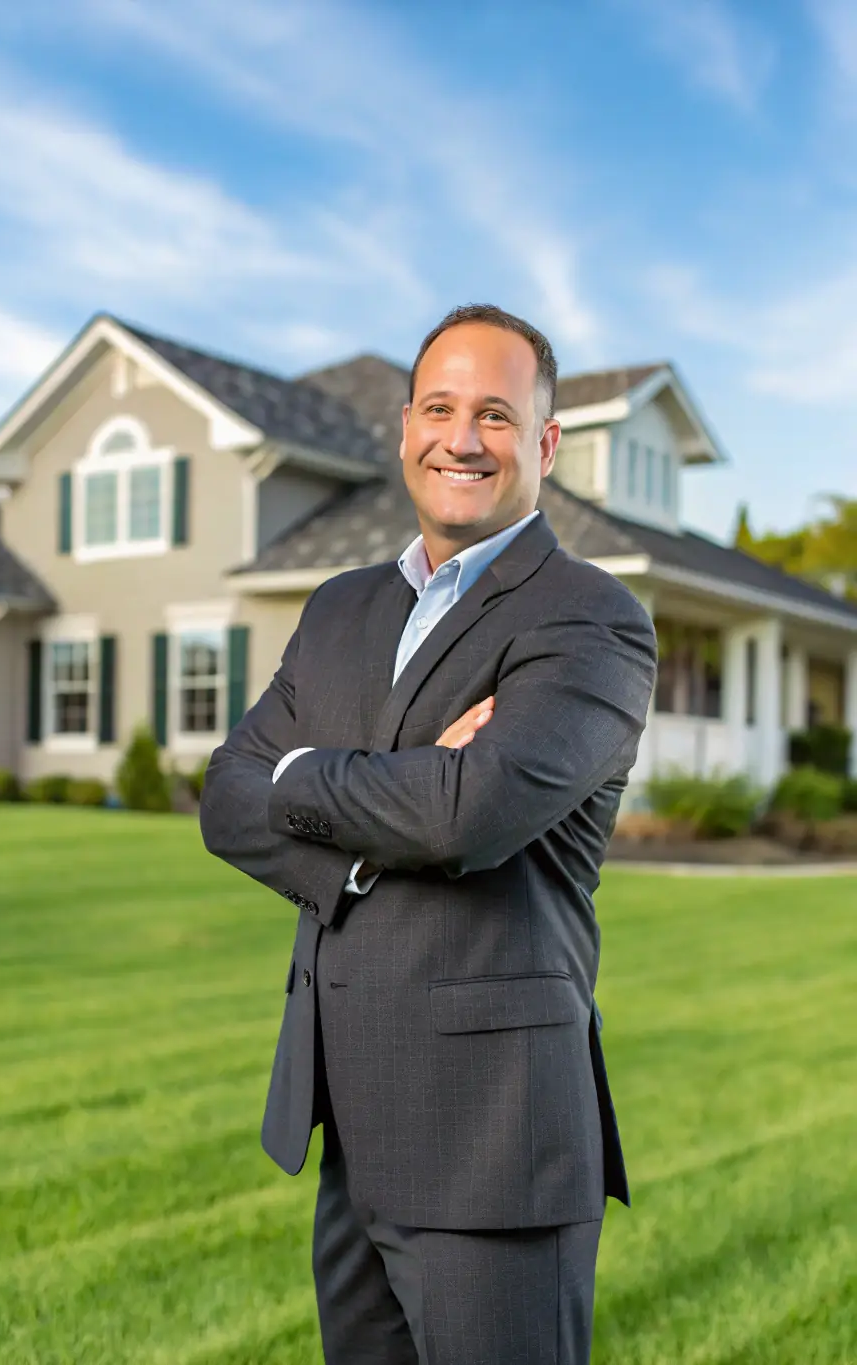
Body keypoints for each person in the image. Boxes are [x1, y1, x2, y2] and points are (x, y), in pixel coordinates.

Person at [200, 303, 657, 1364]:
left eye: (495, 415)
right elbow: (226, 795)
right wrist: (379, 802)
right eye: (441, 408)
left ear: (543, 443)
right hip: (349, 1124)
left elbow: (471, 812)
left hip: (491, 1146)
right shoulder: (339, 609)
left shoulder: (587, 618)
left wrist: (305, 773)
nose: (462, 438)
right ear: (403, 425)